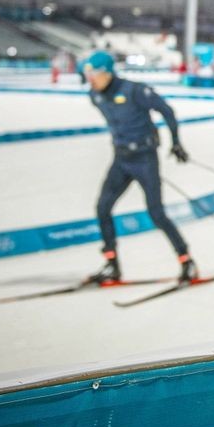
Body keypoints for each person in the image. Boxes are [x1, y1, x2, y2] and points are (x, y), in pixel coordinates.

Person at [82, 50, 197, 284]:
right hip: (122, 159)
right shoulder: (95, 96)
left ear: (107, 72)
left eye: (94, 73)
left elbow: (166, 110)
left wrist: (176, 142)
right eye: (87, 74)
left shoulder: (134, 90)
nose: (90, 79)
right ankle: (111, 263)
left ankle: (186, 260)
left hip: (145, 160)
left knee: (156, 213)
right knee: (103, 208)